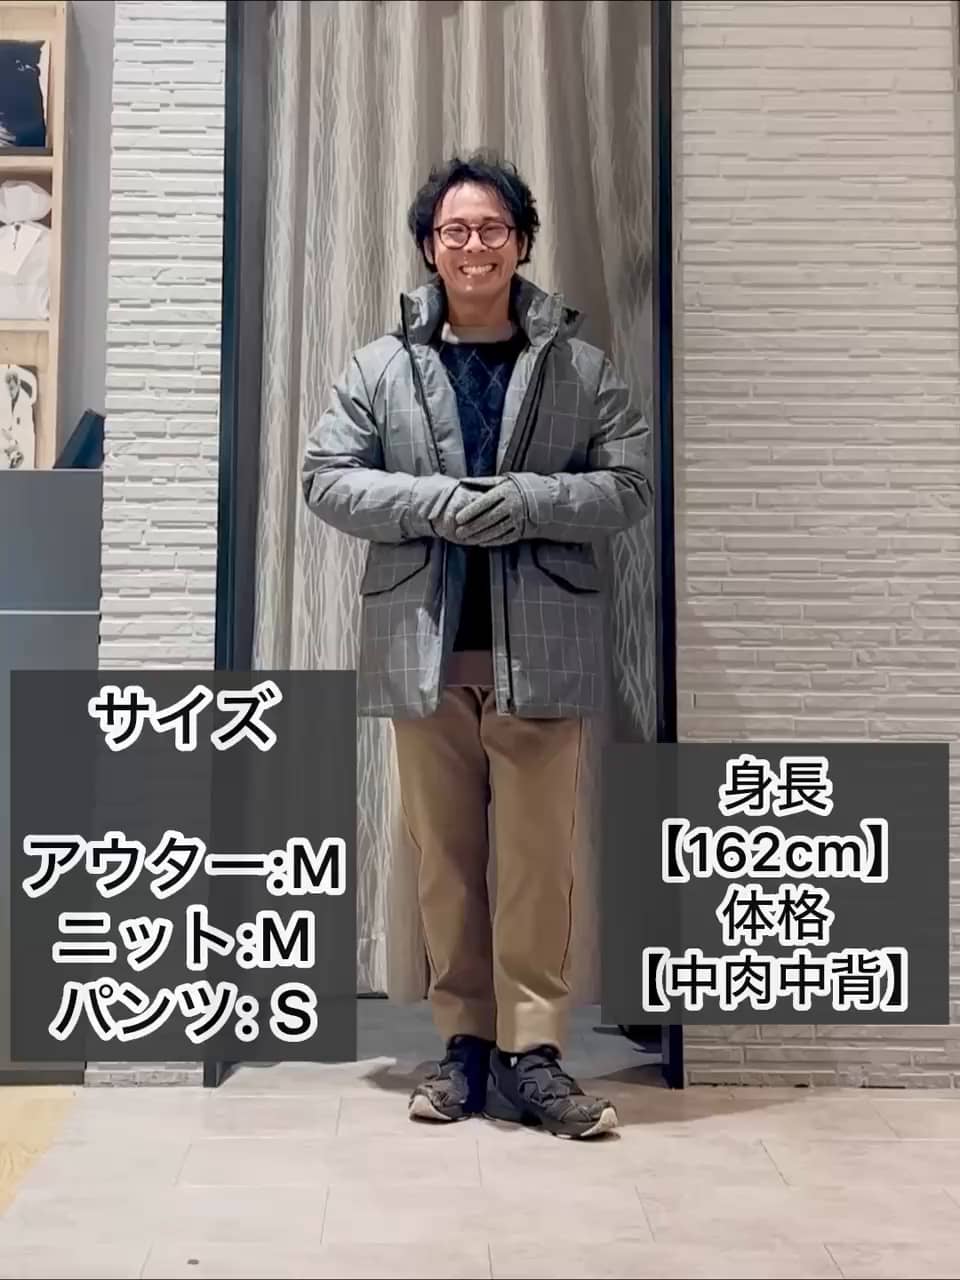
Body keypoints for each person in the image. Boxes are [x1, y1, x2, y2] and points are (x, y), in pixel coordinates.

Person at [302, 150, 652, 1139]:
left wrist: (527, 500)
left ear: (523, 243)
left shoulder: (581, 366)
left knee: (540, 864)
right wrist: (434, 504)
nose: (474, 246)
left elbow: (629, 484)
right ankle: (461, 1046)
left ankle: (532, 1056)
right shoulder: (379, 365)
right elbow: (326, 478)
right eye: (454, 230)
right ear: (429, 248)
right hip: (423, 652)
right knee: (445, 865)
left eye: (493, 228)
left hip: (542, 650)